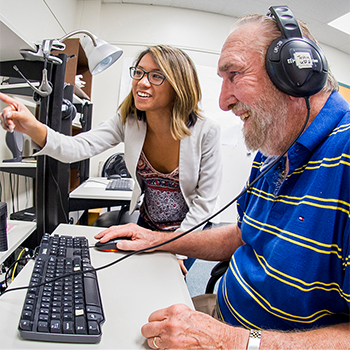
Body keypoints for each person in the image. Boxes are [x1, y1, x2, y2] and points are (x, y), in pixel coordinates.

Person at [93, 7, 350, 350]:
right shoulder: (273, 148)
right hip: (225, 316)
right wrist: (156, 240)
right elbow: (244, 235)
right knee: (116, 318)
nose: (223, 100)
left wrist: (233, 341)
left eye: (234, 75)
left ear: (294, 71)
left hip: (252, 340)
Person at [0, 45, 223, 274]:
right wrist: (32, 127)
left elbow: (204, 204)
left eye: (156, 76)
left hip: (190, 232)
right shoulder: (128, 120)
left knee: (169, 286)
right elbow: (77, 147)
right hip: (147, 225)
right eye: (139, 72)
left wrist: (177, 250)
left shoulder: (207, 132)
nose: (142, 82)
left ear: (179, 85)